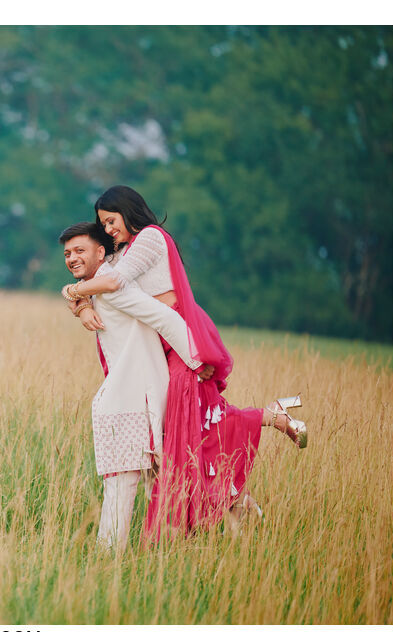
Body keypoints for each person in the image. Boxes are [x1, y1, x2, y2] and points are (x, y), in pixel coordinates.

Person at [62, 185, 308, 542]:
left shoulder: (150, 238)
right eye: (104, 224)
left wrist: (74, 294)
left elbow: (112, 282)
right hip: (161, 345)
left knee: (190, 429)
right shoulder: (123, 251)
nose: (110, 229)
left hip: (182, 338)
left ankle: (270, 419)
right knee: (199, 432)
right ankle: (240, 509)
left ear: (129, 211)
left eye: (111, 221)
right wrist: (79, 301)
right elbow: (95, 276)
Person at [58, 222, 211, 551]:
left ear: (102, 252)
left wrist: (199, 362)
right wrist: (79, 303)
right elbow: (72, 290)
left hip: (131, 400)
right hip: (130, 397)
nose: (72, 258)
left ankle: (108, 557)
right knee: (155, 478)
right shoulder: (96, 289)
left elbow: (163, 318)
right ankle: (217, 526)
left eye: (80, 250)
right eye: (67, 253)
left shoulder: (114, 287)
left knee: (125, 483)